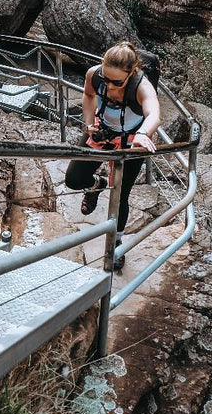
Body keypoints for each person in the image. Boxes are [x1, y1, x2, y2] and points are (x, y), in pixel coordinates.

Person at [65, 41, 160, 270]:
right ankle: (97, 184)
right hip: (102, 131)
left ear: (131, 73)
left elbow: (154, 113)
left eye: (117, 82)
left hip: (130, 140)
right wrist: (89, 124)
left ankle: (116, 244)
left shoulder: (141, 86)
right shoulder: (94, 75)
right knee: (74, 179)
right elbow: (88, 95)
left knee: (120, 195)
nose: (110, 86)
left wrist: (143, 134)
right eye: (106, 79)